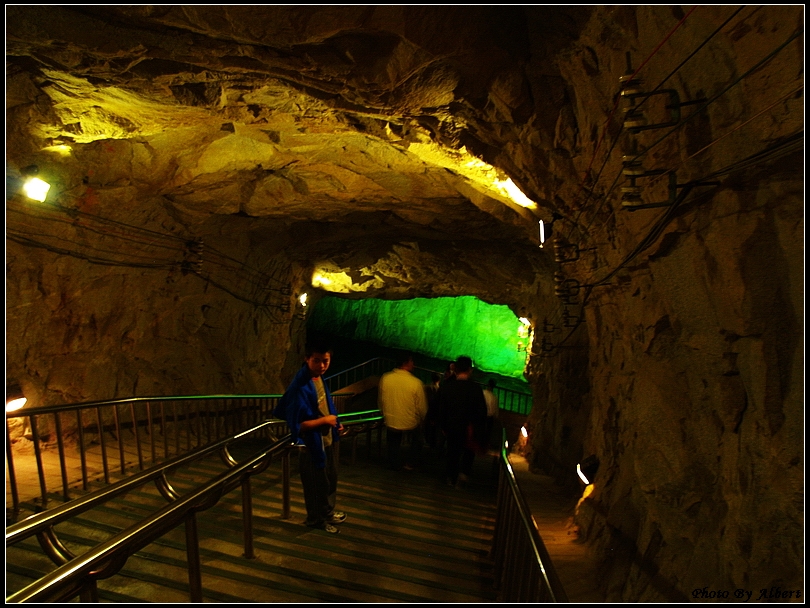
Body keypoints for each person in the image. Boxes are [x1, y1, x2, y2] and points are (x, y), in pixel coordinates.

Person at [276, 341, 346, 534]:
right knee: (316, 485)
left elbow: (324, 407)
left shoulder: (317, 378)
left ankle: (327, 512)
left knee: (330, 479)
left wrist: (335, 422)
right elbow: (298, 424)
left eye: (325, 361)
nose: (322, 365)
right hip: (311, 444)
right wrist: (326, 420)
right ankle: (316, 520)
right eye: (317, 361)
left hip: (326, 439)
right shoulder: (300, 385)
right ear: (307, 359)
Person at [438, 355, 487, 488]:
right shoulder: (475, 388)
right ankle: (463, 475)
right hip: (469, 428)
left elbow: (442, 408)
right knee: (468, 452)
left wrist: (443, 426)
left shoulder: (449, 386)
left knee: (452, 452)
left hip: (452, 426)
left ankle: (450, 477)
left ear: (456, 369)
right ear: (470, 370)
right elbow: (481, 411)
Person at [378, 353, 428, 471]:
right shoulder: (416, 382)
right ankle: (410, 462)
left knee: (393, 441)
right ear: (406, 363)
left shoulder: (386, 378)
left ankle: (393, 462)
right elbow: (422, 406)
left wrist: (384, 413)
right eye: (412, 362)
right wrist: (423, 418)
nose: (413, 364)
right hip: (409, 421)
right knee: (418, 439)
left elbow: (381, 400)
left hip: (391, 420)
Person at [483, 379, 499, 453]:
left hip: (482, 415)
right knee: (487, 433)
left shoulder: (483, 393)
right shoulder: (494, 397)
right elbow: (495, 410)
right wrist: (496, 416)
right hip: (490, 417)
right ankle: (484, 447)